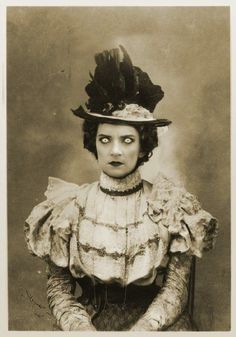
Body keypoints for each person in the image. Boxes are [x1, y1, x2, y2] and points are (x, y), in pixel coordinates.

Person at [24, 45, 218, 331]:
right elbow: (58, 288)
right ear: (94, 144)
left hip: (156, 326)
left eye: (127, 140)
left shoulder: (170, 206)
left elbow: (176, 288)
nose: (115, 151)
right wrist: (79, 327)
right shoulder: (68, 206)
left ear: (143, 147)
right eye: (105, 140)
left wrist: (146, 328)